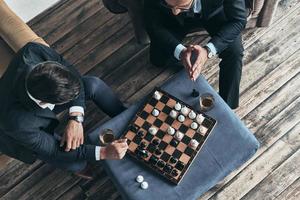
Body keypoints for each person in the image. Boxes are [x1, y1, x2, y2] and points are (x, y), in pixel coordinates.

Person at [0, 42, 129, 179]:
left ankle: (126, 115)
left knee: (92, 84)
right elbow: (54, 150)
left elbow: (70, 70)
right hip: (17, 130)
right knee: (74, 163)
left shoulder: (33, 51)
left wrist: (76, 117)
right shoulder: (17, 124)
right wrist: (103, 152)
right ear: (49, 103)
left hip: (31, 101)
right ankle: (82, 168)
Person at [144, 0, 247, 109]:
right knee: (158, 59)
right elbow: (152, 24)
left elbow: (238, 20)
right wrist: (180, 51)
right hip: (173, 20)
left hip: (216, 13)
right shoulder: (173, 12)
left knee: (235, 52)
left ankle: (227, 107)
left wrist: (208, 50)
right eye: (169, 4)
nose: (175, 11)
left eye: (182, 6)